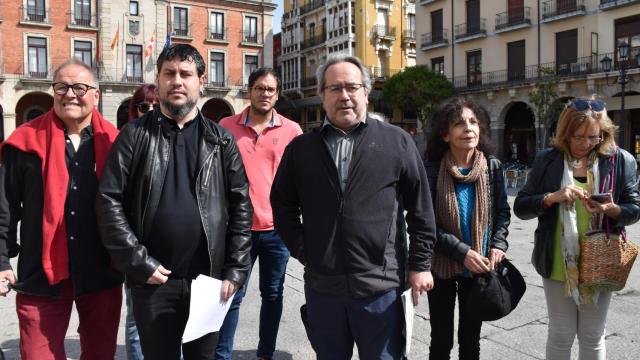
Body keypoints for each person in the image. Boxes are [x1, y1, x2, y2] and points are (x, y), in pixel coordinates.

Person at [270, 53, 436, 359]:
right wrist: (304, 249)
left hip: (381, 290)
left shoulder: (397, 142)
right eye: (334, 88)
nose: (344, 96)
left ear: (366, 91)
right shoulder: (301, 148)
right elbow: (281, 203)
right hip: (324, 290)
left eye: (352, 87)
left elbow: (421, 209)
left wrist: (420, 264)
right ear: (321, 95)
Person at [96, 44, 253, 360]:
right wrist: (139, 263)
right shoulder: (134, 136)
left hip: (209, 284)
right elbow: (108, 201)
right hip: (153, 282)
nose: (177, 81)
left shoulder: (221, 141)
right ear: (159, 79)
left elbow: (240, 207)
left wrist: (236, 270)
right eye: (169, 73)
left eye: (186, 74)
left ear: (201, 80)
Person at [0, 59, 123, 359]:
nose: (70, 94)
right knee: (36, 354)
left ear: (96, 95)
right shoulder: (24, 141)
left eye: (79, 87)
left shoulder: (118, 144)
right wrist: (1, 260)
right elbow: (4, 205)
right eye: (61, 87)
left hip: (101, 271)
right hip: (40, 273)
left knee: (100, 354)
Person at [514, 98, 640, 359]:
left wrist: (612, 210)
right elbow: (521, 207)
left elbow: (634, 209)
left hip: (601, 259)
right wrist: (551, 197)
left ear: (603, 133)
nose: (585, 143)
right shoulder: (547, 160)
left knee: (593, 336)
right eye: (578, 137)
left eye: (593, 137)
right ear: (565, 133)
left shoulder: (620, 160)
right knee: (561, 334)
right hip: (558, 262)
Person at [216, 68, 302, 360]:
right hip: (236, 229)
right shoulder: (225, 126)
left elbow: (301, 180)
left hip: (277, 230)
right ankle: (221, 355)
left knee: (274, 294)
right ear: (249, 90)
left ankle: (265, 353)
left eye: (270, 90)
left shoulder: (292, 131)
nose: (265, 94)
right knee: (231, 295)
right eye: (259, 88)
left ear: (277, 94)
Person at [423, 97, 511, 360]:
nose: (468, 128)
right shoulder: (431, 168)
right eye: (459, 123)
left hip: (480, 266)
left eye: (473, 122)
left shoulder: (491, 166)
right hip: (441, 266)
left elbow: (502, 213)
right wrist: (462, 253)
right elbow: (424, 223)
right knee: (441, 340)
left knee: (471, 340)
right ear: (445, 134)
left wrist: (498, 244)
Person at [123, 83, 159, 360]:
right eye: (144, 106)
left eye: (155, 105)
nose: (150, 110)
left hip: (174, 246)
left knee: (176, 319)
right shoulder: (127, 139)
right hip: (138, 244)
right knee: (136, 319)